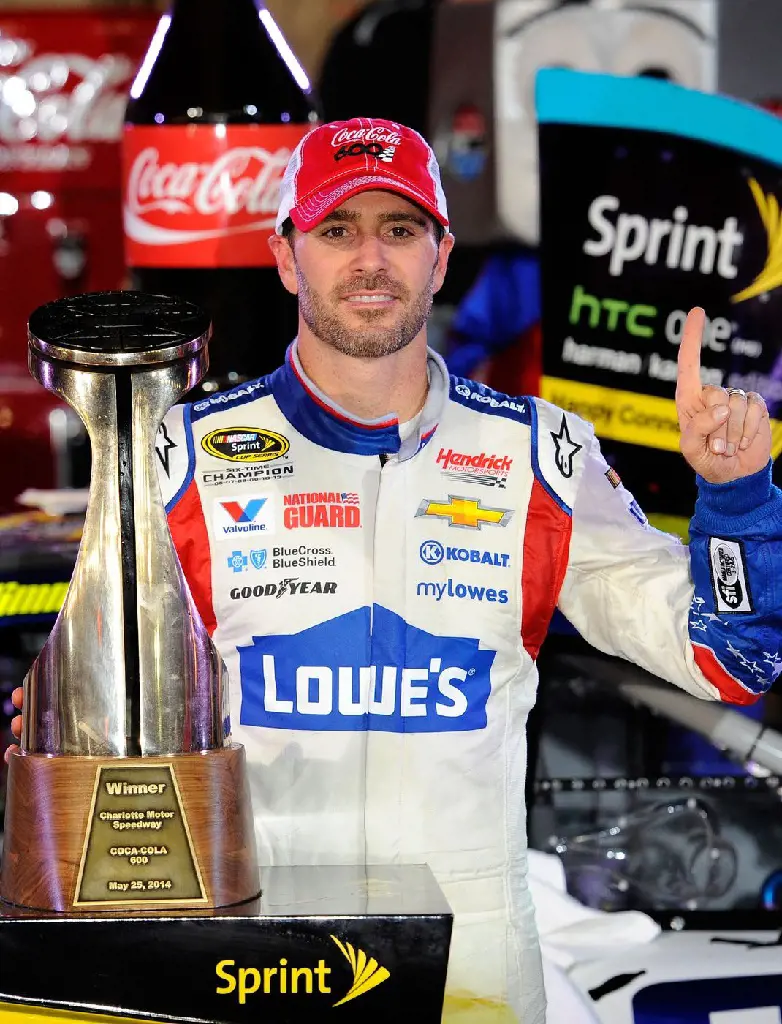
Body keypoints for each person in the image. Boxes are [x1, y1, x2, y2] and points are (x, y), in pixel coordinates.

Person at [7, 117, 782, 1024]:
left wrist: (737, 496)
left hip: (476, 967)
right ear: (288, 257)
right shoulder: (180, 453)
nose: (369, 258)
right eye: (337, 230)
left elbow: (732, 661)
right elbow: (85, 721)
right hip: (246, 960)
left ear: (441, 254)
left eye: (400, 229)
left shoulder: (542, 455)